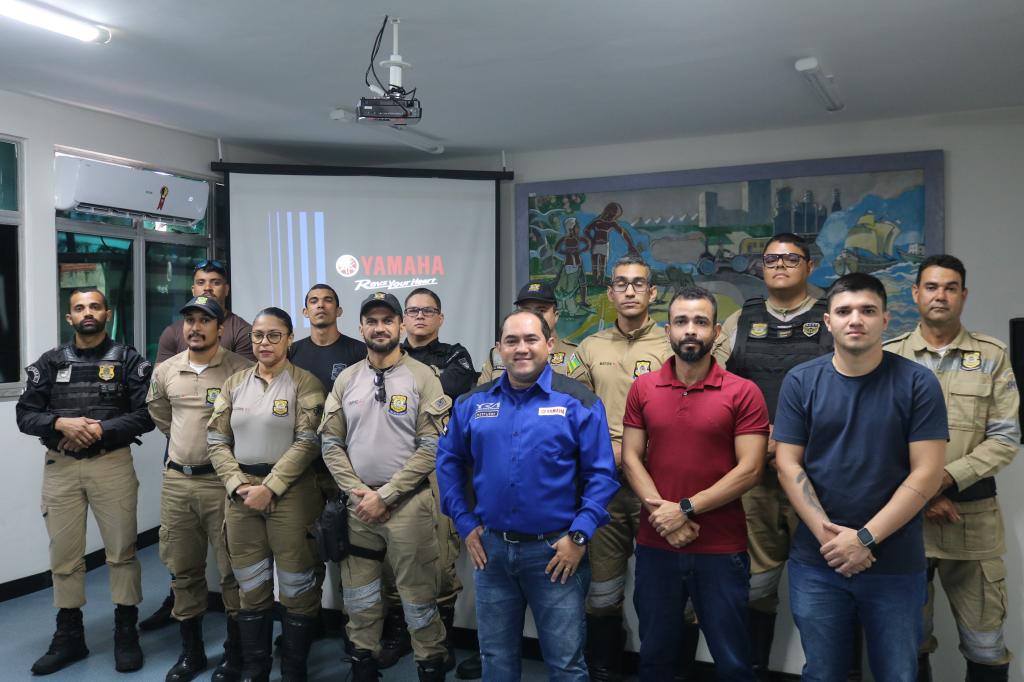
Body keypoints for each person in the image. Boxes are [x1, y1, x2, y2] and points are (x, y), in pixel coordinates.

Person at [773, 273, 948, 681]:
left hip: (895, 565)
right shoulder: (801, 381)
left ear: (886, 320)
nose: (856, 319)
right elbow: (787, 465)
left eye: (868, 310)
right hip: (818, 563)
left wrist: (864, 538)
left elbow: (927, 472)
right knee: (822, 672)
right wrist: (832, 540)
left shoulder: (917, 382)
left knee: (897, 673)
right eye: (845, 311)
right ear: (828, 320)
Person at [436, 309, 619, 681]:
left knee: (566, 664)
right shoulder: (473, 403)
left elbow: (602, 475)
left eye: (531, 339)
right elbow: (448, 462)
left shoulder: (578, 402)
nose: (521, 349)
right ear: (498, 349)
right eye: (512, 341)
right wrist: (465, 520)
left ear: (549, 345)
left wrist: (580, 536)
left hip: (557, 553)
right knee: (496, 660)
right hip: (493, 554)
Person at [884, 255, 1019, 682]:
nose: (940, 295)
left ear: (963, 294)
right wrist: (922, 497)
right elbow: (875, 443)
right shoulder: (889, 357)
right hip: (905, 523)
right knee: (908, 640)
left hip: (971, 520)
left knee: (986, 644)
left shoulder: (992, 355)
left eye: (950, 287)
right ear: (915, 293)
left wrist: (940, 481)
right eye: (931, 286)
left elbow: (1004, 438)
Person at [623, 287, 769, 681]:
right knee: (655, 655)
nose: (691, 330)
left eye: (701, 322)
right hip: (656, 545)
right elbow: (632, 457)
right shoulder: (644, 388)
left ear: (716, 332)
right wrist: (664, 515)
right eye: (682, 322)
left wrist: (684, 509)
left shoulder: (744, 392)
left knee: (734, 659)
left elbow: (751, 469)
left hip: (721, 548)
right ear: (667, 330)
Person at [711, 233, 834, 679]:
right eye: (771, 259)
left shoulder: (832, 317)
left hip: (819, 478)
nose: (780, 265)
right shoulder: (740, 321)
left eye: (790, 258)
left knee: (829, 584)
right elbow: (716, 389)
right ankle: (755, 670)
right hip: (757, 479)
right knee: (755, 586)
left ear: (809, 266)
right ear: (760, 267)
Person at [16, 287, 154, 674]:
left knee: (122, 552)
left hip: (111, 463)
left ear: (107, 313)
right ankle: (69, 636)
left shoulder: (128, 360)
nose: (87, 312)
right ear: (69, 318)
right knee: (64, 556)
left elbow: (148, 414)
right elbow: (25, 415)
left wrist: (100, 430)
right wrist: (60, 422)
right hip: (61, 467)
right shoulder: (49, 362)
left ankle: (126, 632)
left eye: (94, 306)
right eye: (79, 308)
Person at [319, 292, 451, 682]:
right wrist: (359, 491)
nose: (379, 328)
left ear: (400, 326)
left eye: (387, 320)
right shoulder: (346, 379)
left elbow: (433, 446)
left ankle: (429, 665)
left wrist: (387, 494)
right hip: (358, 505)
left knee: (418, 597)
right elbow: (329, 443)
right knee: (359, 596)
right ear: (361, 328)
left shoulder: (423, 377)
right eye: (372, 321)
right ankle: (363, 663)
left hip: (408, 506)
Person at [207, 307, 326, 682]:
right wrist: (238, 485)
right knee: (250, 585)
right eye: (258, 335)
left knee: (296, 586)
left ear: (290, 338)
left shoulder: (305, 383)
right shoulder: (234, 383)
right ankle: (255, 669)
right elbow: (216, 439)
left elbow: (308, 442)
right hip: (241, 495)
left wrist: (269, 487)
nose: (264, 342)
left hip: (290, 495)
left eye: (274, 335)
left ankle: (293, 670)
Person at [573, 254, 674, 680]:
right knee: (603, 589)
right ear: (610, 293)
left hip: (661, 487)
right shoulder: (590, 347)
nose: (629, 291)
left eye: (638, 284)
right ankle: (604, 669)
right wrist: (606, 453)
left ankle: (667, 671)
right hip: (606, 488)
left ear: (652, 293)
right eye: (621, 284)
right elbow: (575, 414)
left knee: (667, 592)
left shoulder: (674, 344)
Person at [147, 295, 254, 682]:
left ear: (219, 328)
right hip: (177, 481)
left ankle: (234, 653)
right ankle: (191, 653)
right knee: (183, 569)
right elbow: (159, 412)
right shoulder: (167, 371)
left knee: (232, 571)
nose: (194, 327)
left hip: (221, 483)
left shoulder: (240, 369)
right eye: (189, 320)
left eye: (203, 321)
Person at [478, 280, 591, 386]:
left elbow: (580, 399)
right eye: (526, 310)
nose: (533, 316)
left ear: (556, 316)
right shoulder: (497, 354)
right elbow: (481, 399)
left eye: (541, 310)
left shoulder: (573, 355)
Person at [155, 259, 255, 364]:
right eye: (201, 282)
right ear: (193, 290)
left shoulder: (242, 331)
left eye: (216, 283)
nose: (207, 288)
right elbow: (159, 377)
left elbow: (247, 377)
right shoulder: (171, 332)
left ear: (226, 290)